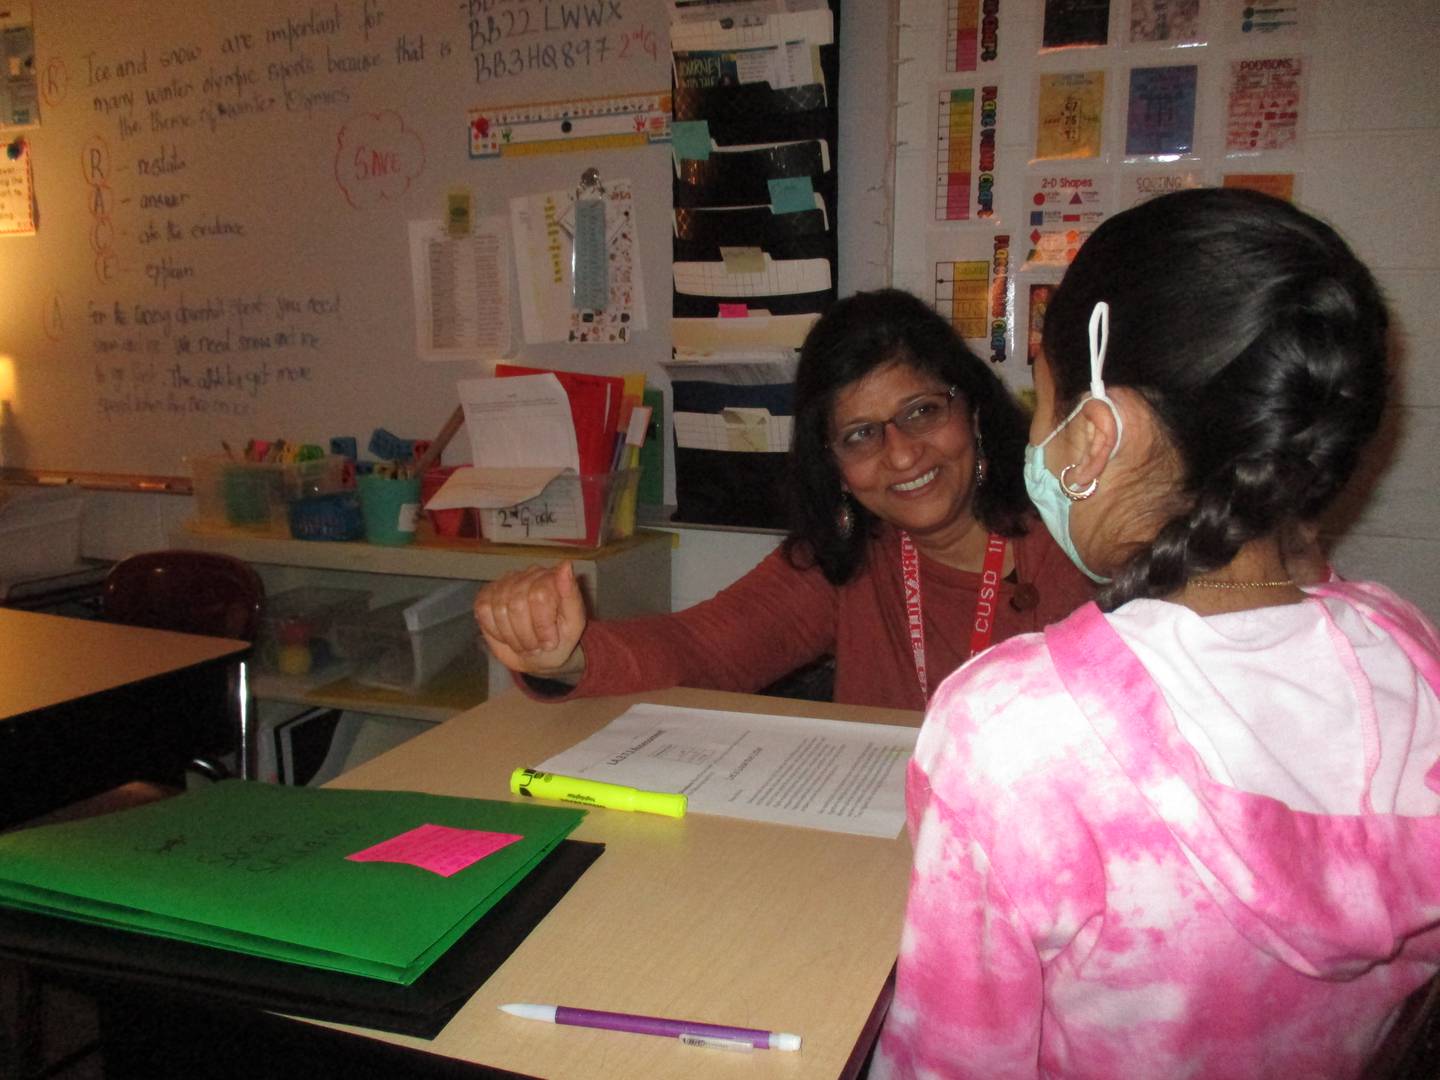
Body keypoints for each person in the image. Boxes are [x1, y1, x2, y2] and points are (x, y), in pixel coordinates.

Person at [873, 188, 1440, 1078]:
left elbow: (949, 1062)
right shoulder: (1410, 650)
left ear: (1092, 436)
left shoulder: (1008, 731)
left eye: (1046, 399)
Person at [473, 288, 1093, 711]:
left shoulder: (1077, 542)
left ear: (974, 411)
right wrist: (566, 656)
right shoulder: (848, 557)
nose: (902, 454)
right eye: (860, 435)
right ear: (834, 464)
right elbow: (701, 648)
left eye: (923, 411)